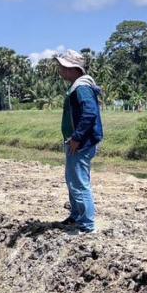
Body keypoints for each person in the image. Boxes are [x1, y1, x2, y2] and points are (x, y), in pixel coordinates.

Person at [56, 51, 102, 234]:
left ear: (73, 69)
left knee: (80, 184)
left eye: (62, 67)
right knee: (72, 181)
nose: (60, 70)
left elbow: (90, 113)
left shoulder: (82, 88)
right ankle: (76, 216)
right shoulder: (77, 87)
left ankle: (87, 225)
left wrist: (77, 138)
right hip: (75, 142)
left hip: (80, 144)